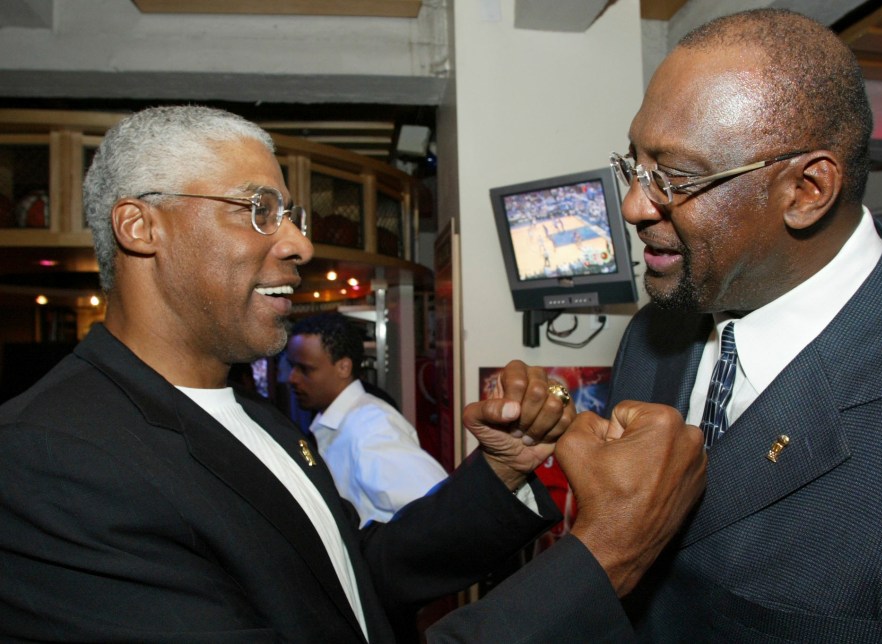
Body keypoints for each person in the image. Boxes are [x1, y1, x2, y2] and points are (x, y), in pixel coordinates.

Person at [0, 104, 707, 642]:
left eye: (291, 214)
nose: (300, 243)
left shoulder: (250, 408)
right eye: (259, 211)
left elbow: (351, 572)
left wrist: (501, 473)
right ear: (140, 227)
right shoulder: (50, 459)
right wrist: (605, 556)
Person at [575, 8, 882, 641]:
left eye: (675, 176)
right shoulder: (652, 339)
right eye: (635, 165)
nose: (633, 205)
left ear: (808, 189)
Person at [286, 312, 447, 526]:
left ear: (343, 367)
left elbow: (438, 511)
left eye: (305, 369)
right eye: (292, 366)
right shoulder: (337, 421)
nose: (292, 378)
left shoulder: (371, 427)